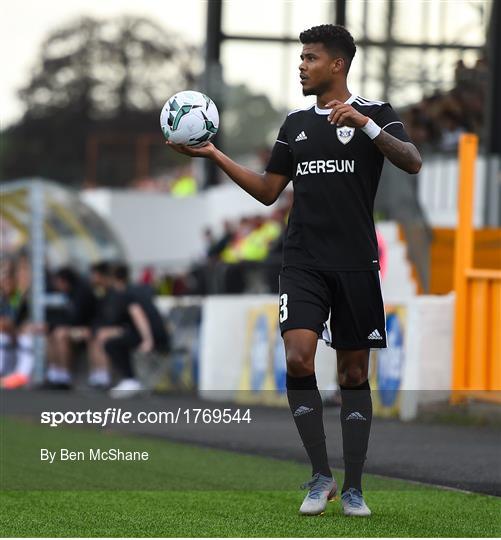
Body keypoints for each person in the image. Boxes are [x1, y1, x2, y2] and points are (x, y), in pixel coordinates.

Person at [167, 24, 421, 517]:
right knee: (298, 358)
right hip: (302, 259)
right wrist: (214, 154)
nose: (300, 66)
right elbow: (267, 191)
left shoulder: (377, 114)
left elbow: (411, 161)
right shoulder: (294, 125)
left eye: (309, 58)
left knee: (352, 372)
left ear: (337, 65)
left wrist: (367, 127)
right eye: (300, 58)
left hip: (356, 263)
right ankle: (320, 475)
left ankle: (353, 487)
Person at [104, 263, 169, 398]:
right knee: (117, 341)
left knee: (111, 344)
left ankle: (130, 379)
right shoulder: (136, 290)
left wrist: (148, 340)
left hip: (153, 336)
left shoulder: (126, 294)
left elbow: (139, 317)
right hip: (154, 334)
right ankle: (130, 380)